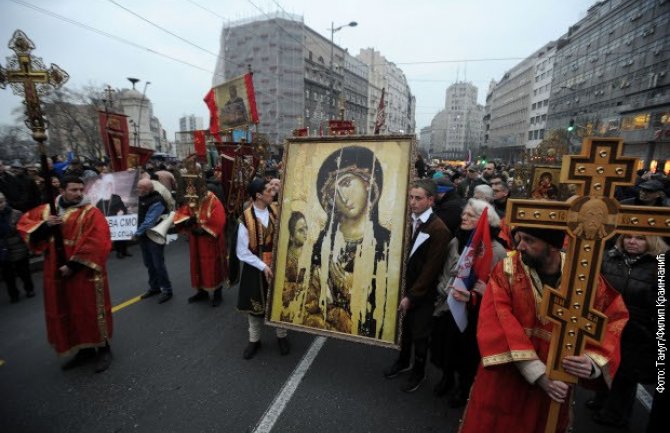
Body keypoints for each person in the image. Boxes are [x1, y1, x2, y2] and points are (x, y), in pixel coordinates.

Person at [459, 227, 629, 433]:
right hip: (507, 377)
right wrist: (538, 374)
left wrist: (592, 360)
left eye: (529, 240)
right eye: (520, 238)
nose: (520, 246)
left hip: (558, 380)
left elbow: (613, 317)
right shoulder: (506, 271)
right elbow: (497, 322)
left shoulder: (583, 278)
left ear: (553, 246)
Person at [17, 176, 114, 372]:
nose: (79, 193)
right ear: (62, 190)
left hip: (85, 272)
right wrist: (45, 226)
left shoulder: (91, 213)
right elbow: (23, 224)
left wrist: (73, 264)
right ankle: (83, 350)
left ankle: (103, 349)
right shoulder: (46, 211)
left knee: (91, 310)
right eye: (73, 190)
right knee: (69, 310)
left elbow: (98, 240)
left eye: (81, 190)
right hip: (55, 269)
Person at [303, 146, 391, 337]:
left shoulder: (386, 243)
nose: (342, 197)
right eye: (333, 191)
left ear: (368, 182)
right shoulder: (323, 242)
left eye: (347, 183)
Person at [588, 234, 668, 428]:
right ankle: (601, 399)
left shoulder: (660, 265)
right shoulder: (609, 257)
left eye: (640, 238)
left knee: (627, 372)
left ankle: (615, 414)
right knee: (604, 361)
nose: (632, 242)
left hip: (638, 327)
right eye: (628, 237)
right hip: (609, 322)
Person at [431, 199, 507, 405]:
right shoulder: (456, 240)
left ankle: (463, 387)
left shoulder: (496, 250)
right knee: (446, 345)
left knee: (466, 351)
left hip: (475, 311)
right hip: (448, 303)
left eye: (470, 216)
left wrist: (482, 292)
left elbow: (501, 288)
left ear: (485, 220)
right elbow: (445, 269)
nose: (463, 218)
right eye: (463, 214)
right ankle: (446, 378)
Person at [383, 179, 451, 393]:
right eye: (411, 197)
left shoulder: (439, 229)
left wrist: (411, 296)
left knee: (420, 333)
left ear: (430, 200)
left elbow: (431, 269)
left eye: (418, 198)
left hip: (424, 292)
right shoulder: (408, 220)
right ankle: (403, 361)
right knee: (404, 329)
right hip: (405, 286)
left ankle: (419, 372)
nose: (412, 202)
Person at [236, 178, 289, 359]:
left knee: (279, 302)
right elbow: (241, 252)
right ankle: (254, 340)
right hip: (255, 268)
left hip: (277, 264)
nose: (272, 192)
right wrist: (262, 265)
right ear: (258, 195)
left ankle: (281, 336)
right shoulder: (246, 218)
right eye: (268, 190)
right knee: (255, 308)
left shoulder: (275, 210)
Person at [174, 190, 227, 307]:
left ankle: (218, 293)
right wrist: (187, 221)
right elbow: (183, 212)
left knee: (212, 265)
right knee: (197, 264)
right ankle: (201, 291)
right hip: (195, 239)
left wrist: (204, 230)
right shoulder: (192, 197)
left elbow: (219, 219)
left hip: (209, 239)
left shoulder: (213, 199)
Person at [135, 178, 173, 304]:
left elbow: (149, 221)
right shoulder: (141, 197)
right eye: (138, 187)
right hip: (144, 236)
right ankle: (155, 287)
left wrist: (136, 233)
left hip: (154, 236)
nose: (138, 190)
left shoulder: (157, 201)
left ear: (148, 189)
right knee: (149, 263)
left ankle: (167, 290)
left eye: (141, 188)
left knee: (158, 264)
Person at [0, 192, 35, 302]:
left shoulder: (16, 213)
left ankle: (29, 289)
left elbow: (24, 230)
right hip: (3, 249)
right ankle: (13, 294)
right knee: (8, 275)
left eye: (1, 202)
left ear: (5, 201)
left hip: (18, 246)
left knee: (23, 271)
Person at [280, 211, 308, 323]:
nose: (306, 233)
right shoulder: (284, 258)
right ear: (291, 237)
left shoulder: (310, 253)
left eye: (306, 228)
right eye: (301, 230)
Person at [95, 174, 132, 259]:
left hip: (119, 220)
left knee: (124, 236)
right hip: (109, 222)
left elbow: (122, 207)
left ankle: (125, 250)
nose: (110, 188)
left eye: (111, 186)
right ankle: (119, 252)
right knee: (117, 238)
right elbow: (99, 212)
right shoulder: (100, 201)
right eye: (108, 187)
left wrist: (122, 211)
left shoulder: (116, 197)